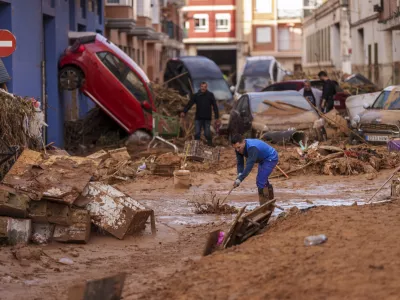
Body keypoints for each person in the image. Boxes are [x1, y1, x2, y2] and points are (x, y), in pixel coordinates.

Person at [231, 134, 279, 205]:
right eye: (235, 148)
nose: (237, 150)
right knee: (263, 180)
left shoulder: (252, 148)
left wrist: (240, 179)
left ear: (243, 142)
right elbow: (240, 163)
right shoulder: (238, 149)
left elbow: (249, 165)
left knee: (260, 180)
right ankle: (270, 201)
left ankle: (264, 206)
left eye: (239, 147)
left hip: (270, 158)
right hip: (262, 159)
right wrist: (239, 174)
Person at [181, 82, 220, 146]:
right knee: (197, 133)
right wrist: (184, 111)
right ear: (200, 87)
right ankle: (197, 146)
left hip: (207, 118)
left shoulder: (210, 95)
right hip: (198, 118)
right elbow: (190, 104)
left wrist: (217, 117)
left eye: (204, 87)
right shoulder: (196, 95)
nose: (203, 88)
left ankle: (210, 145)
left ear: (206, 87)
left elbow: (215, 106)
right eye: (202, 86)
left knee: (207, 133)